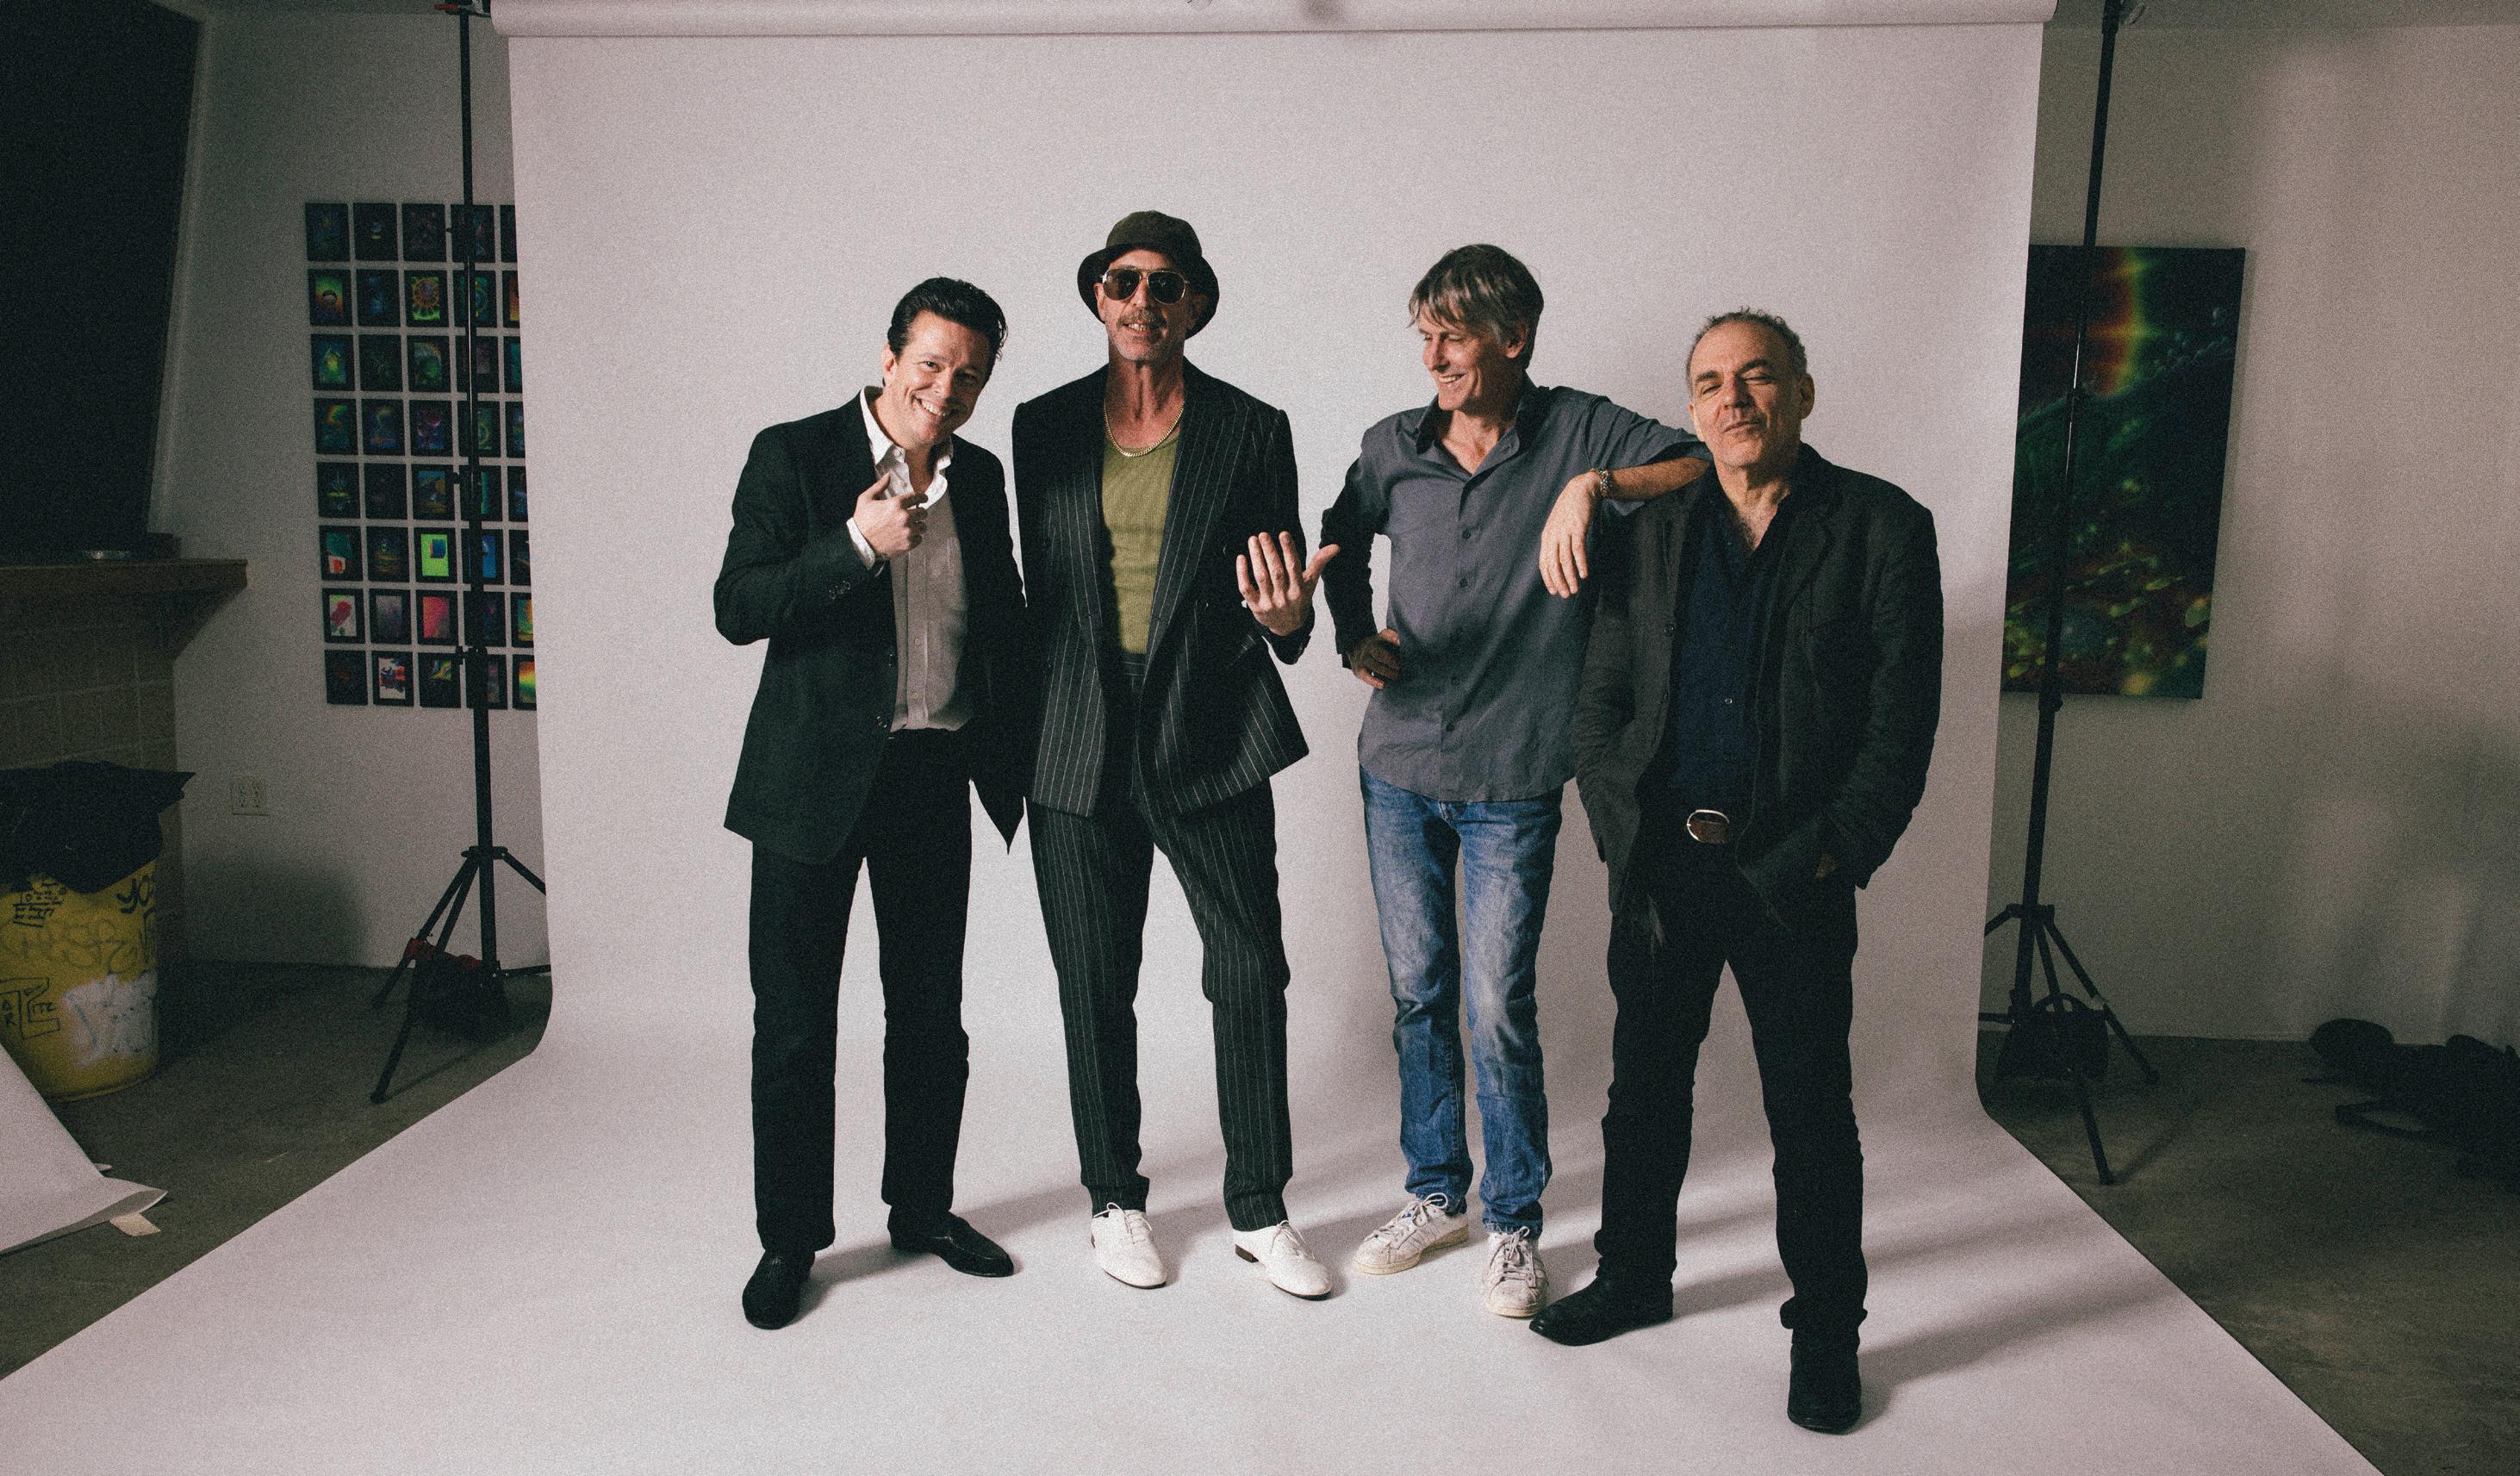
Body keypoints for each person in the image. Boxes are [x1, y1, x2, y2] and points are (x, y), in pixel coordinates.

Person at [1537, 311, 1942, 1438]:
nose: (1734, 398)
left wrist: (1832, 850)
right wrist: (1622, 833)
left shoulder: (1879, 527)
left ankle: (1827, 1337)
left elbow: (1899, 727)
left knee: (1808, 1112)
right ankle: (1633, 1278)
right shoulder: (1651, 534)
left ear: (1802, 393)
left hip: (1791, 874)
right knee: (1642, 1093)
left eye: (1758, 376)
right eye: (1711, 382)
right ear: (1693, 408)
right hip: (1664, 863)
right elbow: (1601, 700)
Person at [1318, 245, 1706, 1317]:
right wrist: (1353, 637)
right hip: (1398, 768)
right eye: (1424, 335)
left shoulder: (1580, 430)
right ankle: (1435, 1193)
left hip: (1513, 777)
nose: (1433, 356)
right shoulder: (1391, 447)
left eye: (1453, 334)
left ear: (1514, 338)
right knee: (1420, 995)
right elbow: (1338, 537)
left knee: (1496, 1005)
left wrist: (1594, 486)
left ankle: (1514, 1223)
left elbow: (1697, 464)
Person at [1012, 211, 1335, 1299]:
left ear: (1194, 302)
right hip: (1076, 741)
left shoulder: (1251, 428)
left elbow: (1279, 599)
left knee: (1248, 970)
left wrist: (1291, 622)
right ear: (1098, 297)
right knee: (1094, 983)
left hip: (1212, 732)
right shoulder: (1042, 427)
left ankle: (1261, 1210)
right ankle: (1114, 1200)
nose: (1141, 301)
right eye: (1122, 282)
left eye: (1164, 284)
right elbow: (1040, 594)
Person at [714, 277, 1031, 1330]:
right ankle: (790, 1240)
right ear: (890, 358)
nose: (948, 389)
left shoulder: (981, 476)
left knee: (931, 1017)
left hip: (932, 773)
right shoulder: (794, 455)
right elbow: (737, 604)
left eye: (970, 375)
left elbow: (1004, 615)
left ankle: (923, 1207)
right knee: (796, 1025)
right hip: (808, 780)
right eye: (931, 364)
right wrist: (854, 545)